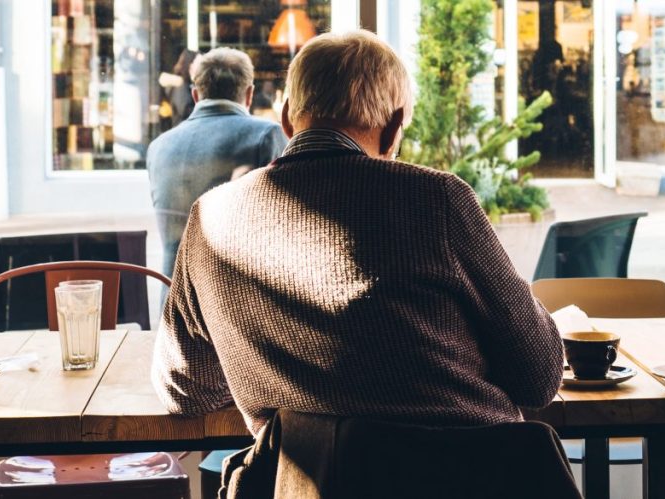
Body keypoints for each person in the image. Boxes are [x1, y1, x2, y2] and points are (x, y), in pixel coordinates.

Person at [151, 30, 563, 436]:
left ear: (287, 118)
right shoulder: (437, 199)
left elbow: (184, 391)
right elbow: (539, 376)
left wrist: (268, 363)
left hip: (308, 482)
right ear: (394, 126)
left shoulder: (210, 218)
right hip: (473, 477)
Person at [147, 47, 287, 278]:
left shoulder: (159, 146)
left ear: (195, 95)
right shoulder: (265, 136)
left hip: (173, 301)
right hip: (234, 301)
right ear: (250, 94)